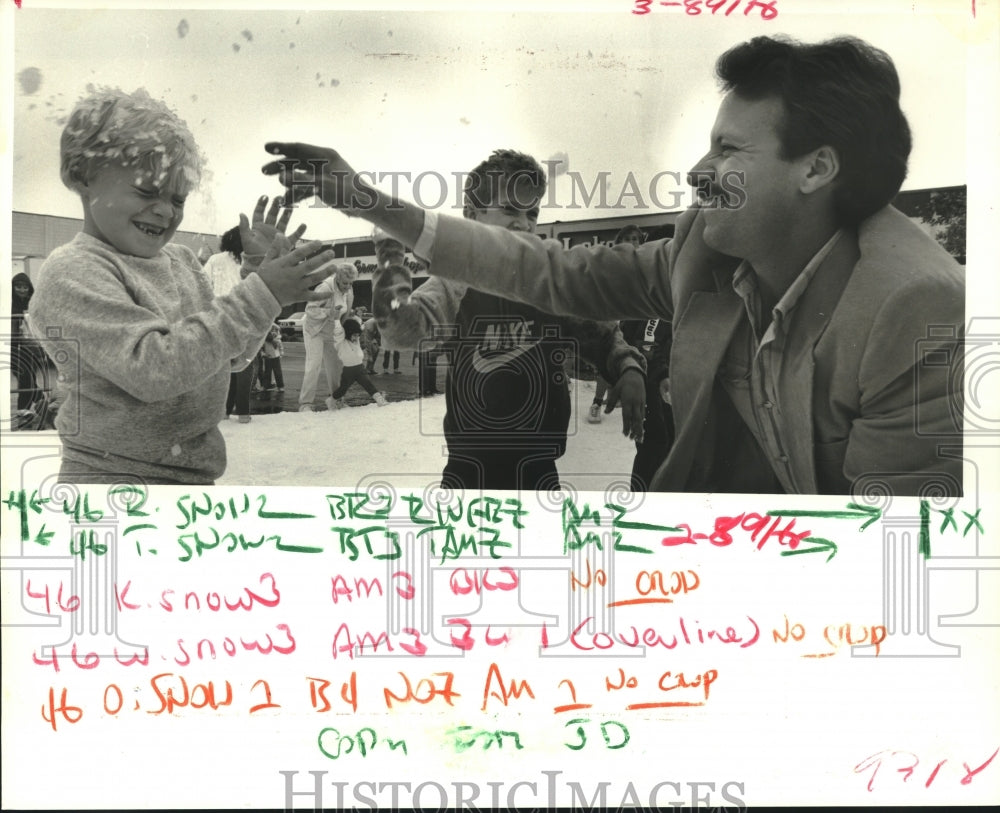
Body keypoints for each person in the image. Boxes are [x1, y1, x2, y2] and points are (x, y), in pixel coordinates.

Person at [264, 34, 965, 496]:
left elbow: (890, 552)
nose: (696, 172)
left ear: (816, 168)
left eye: (729, 150)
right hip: (473, 470)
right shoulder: (704, 251)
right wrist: (369, 205)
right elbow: (561, 277)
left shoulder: (913, 306)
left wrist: (623, 368)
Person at [28, 86, 333, 484]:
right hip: (112, 482)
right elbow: (155, 369)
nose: (165, 210)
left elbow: (227, 357)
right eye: (146, 190)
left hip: (191, 480)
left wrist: (256, 278)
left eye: (178, 198)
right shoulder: (73, 271)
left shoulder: (183, 262)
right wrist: (262, 293)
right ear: (83, 176)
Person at [368, 149, 647, 491]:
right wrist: (391, 257)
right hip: (469, 470)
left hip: (538, 468)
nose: (524, 222)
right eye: (511, 210)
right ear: (472, 216)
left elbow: (601, 338)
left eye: (532, 213)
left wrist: (628, 368)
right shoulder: (455, 284)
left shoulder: (549, 284)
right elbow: (399, 331)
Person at [588, 225, 647, 424]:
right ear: (619, 242)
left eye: (636, 238)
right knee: (609, 358)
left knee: (634, 360)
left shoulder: (645, 266)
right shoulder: (611, 264)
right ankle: (596, 403)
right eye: (628, 238)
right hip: (613, 317)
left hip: (636, 320)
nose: (632, 242)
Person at [203, 225, 256, 423]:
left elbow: (202, 284)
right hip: (243, 315)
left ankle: (224, 410)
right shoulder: (250, 262)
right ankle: (243, 412)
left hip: (219, 315)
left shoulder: (215, 260)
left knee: (225, 364)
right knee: (246, 363)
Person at [299, 263, 357, 412]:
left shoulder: (349, 291)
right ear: (337, 278)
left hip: (331, 332)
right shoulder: (325, 288)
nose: (348, 286)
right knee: (314, 365)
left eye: (351, 283)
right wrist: (328, 313)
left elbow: (345, 314)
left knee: (336, 366)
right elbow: (310, 309)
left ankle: (336, 399)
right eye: (345, 283)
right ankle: (305, 404)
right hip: (314, 330)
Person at [10, 272, 48, 426]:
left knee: (26, 379)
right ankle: (42, 404)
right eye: (18, 287)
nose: (21, 290)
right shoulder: (8, 303)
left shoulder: (33, 303)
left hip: (30, 346)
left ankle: (25, 413)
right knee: (26, 379)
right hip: (12, 346)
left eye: (25, 287)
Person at [327, 315, 388, 409]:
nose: (356, 338)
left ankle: (379, 399)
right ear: (348, 333)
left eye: (358, 335)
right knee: (343, 389)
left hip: (359, 368)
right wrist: (336, 319)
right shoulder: (340, 342)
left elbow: (359, 325)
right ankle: (332, 399)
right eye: (354, 335)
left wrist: (358, 318)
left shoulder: (356, 339)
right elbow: (338, 331)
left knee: (368, 383)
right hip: (348, 370)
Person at [260, 323, 285, 392]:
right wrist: (263, 354)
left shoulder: (277, 340)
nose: (273, 333)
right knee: (267, 372)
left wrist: (281, 353)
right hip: (268, 357)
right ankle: (266, 386)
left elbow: (280, 347)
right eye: (272, 331)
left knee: (278, 372)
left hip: (276, 357)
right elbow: (262, 348)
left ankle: (280, 386)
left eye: (275, 331)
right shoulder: (265, 341)